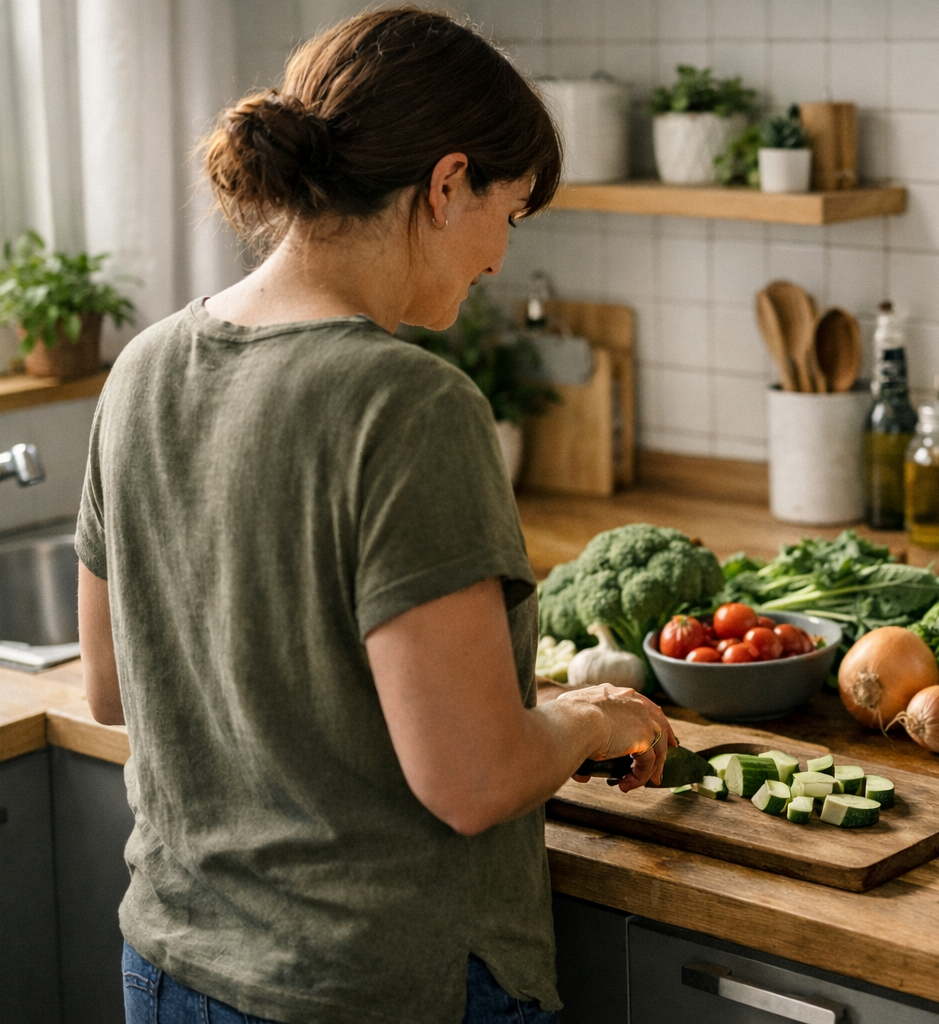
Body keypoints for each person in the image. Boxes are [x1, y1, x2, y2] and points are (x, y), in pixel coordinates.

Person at [75, 9, 672, 1024]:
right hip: (373, 987)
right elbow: (473, 780)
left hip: (171, 971)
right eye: (508, 213)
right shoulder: (410, 404)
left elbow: (110, 685)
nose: (498, 257)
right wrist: (589, 718)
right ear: (446, 185)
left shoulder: (145, 367)